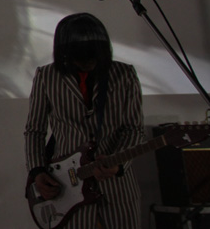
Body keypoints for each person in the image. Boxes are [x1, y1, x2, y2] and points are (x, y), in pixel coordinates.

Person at [24, 12, 145, 229]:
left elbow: (133, 129)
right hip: (66, 185)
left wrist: (118, 165)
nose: (88, 63)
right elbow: (35, 130)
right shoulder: (46, 76)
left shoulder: (124, 74)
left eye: (93, 57)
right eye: (80, 58)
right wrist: (36, 172)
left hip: (118, 189)